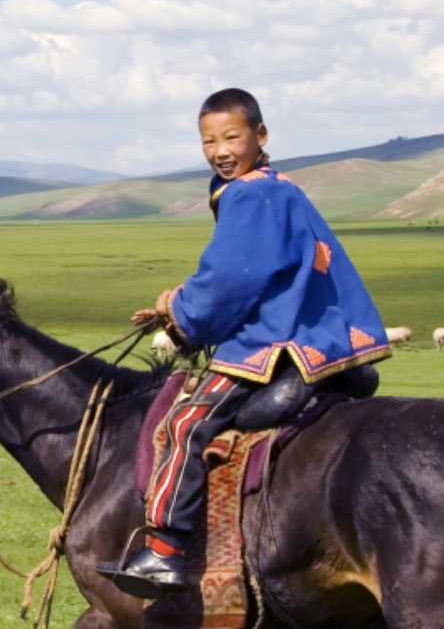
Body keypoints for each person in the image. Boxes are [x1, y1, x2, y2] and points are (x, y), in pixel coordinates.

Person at [96, 88, 391, 599]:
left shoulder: (250, 194)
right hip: (319, 336)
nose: (220, 151)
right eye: (208, 141)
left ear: (260, 134)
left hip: (275, 339)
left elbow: (230, 282)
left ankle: (163, 550)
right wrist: (178, 303)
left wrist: (180, 313)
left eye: (231, 137)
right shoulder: (278, 186)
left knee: (184, 423)